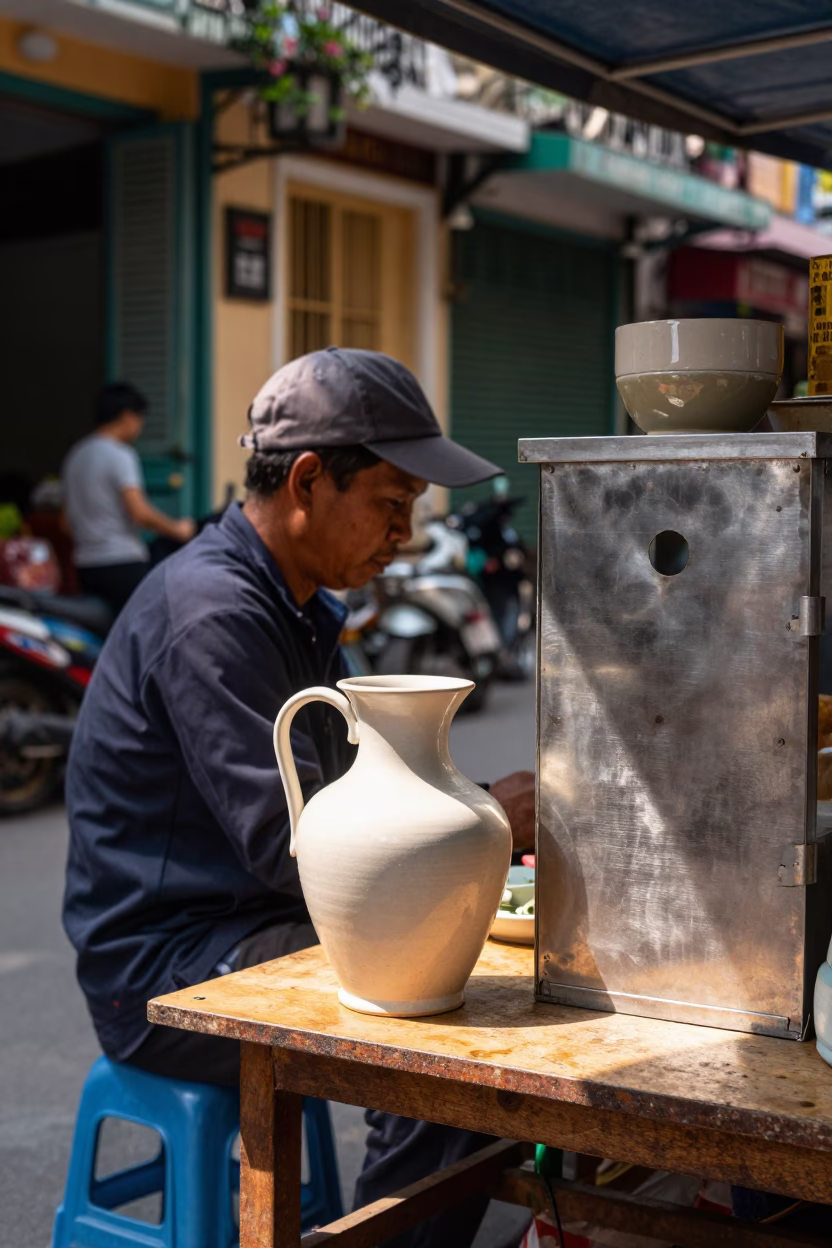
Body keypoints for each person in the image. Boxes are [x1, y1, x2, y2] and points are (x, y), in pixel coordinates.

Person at [63, 348, 535, 1248]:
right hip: (165, 965)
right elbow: (302, 847)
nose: (401, 534)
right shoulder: (216, 613)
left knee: (476, 987)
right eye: (390, 505)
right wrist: (486, 818)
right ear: (310, 481)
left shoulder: (300, 601)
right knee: (441, 1050)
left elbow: (360, 789)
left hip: (251, 918)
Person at [62, 382, 195, 615]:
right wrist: (178, 529)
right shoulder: (120, 455)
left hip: (85, 566)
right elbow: (140, 512)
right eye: (140, 419)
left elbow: (65, 522)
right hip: (123, 562)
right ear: (127, 416)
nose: (139, 428)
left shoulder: (76, 455)